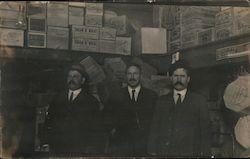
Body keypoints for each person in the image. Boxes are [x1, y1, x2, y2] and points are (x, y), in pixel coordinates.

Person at [148, 60, 211, 157]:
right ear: (171, 78)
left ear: (188, 79)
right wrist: (152, 151)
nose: (178, 79)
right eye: (176, 76)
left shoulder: (198, 101)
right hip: (166, 153)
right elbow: (155, 128)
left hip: (190, 153)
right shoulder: (161, 101)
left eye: (182, 76)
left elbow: (205, 131)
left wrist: (205, 154)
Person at [42, 64, 103, 156]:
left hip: (80, 149)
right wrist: (46, 141)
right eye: (69, 76)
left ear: (82, 80)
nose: (71, 79)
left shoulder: (91, 102)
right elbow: (49, 121)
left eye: (75, 76)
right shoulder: (58, 98)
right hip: (58, 148)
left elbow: (95, 128)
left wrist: (90, 149)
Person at [105, 63, 158, 156]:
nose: (132, 77)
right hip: (122, 144)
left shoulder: (151, 96)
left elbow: (156, 121)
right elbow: (107, 118)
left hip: (143, 144)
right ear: (126, 76)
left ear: (140, 75)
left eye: (135, 74)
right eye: (129, 74)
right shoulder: (116, 95)